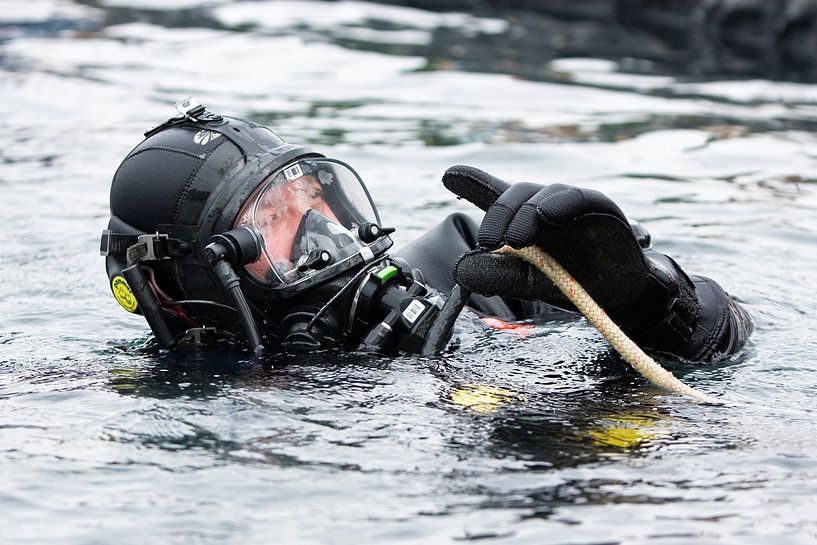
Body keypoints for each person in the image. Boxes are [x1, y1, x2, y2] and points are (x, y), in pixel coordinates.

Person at [101, 99, 752, 361]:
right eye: (271, 218)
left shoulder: (476, 262)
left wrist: (641, 294)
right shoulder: (171, 398)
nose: (321, 226)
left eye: (312, 193)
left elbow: (730, 343)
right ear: (177, 289)